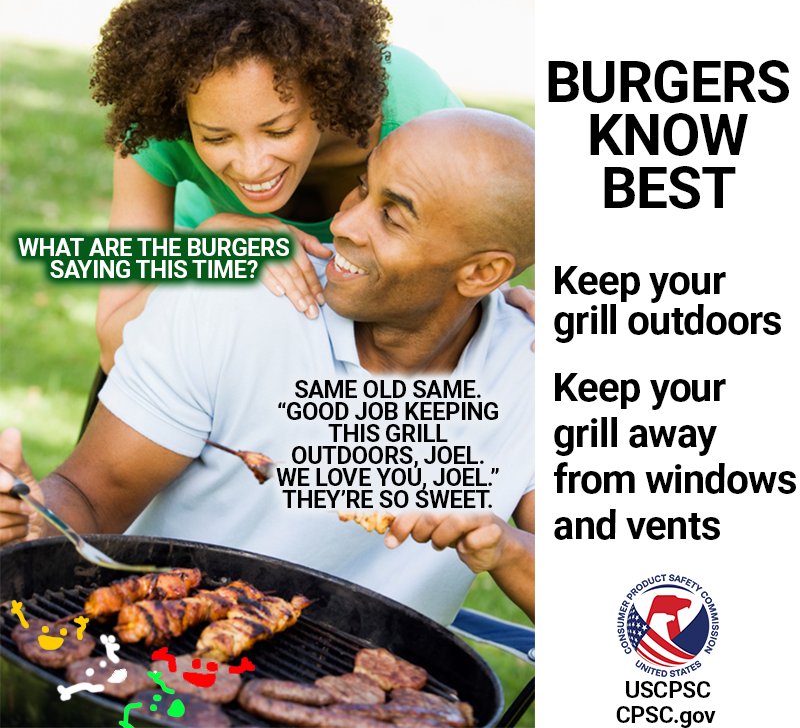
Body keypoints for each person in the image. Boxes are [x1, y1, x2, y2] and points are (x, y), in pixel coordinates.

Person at [0, 109, 534, 625]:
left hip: (371, 684)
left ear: (483, 272)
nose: (343, 223)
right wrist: (30, 521)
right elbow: (92, 495)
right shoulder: (229, 304)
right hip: (158, 660)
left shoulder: (537, 375)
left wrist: (503, 547)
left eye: (392, 217)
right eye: (361, 187)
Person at [90, 0, 468, 373]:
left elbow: (489, 246)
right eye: (216, 138)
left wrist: (499, 308)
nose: (253, 166)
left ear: (327, 94)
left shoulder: (416, 111)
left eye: (279, 130)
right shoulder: (157, 127)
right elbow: (113, 346)